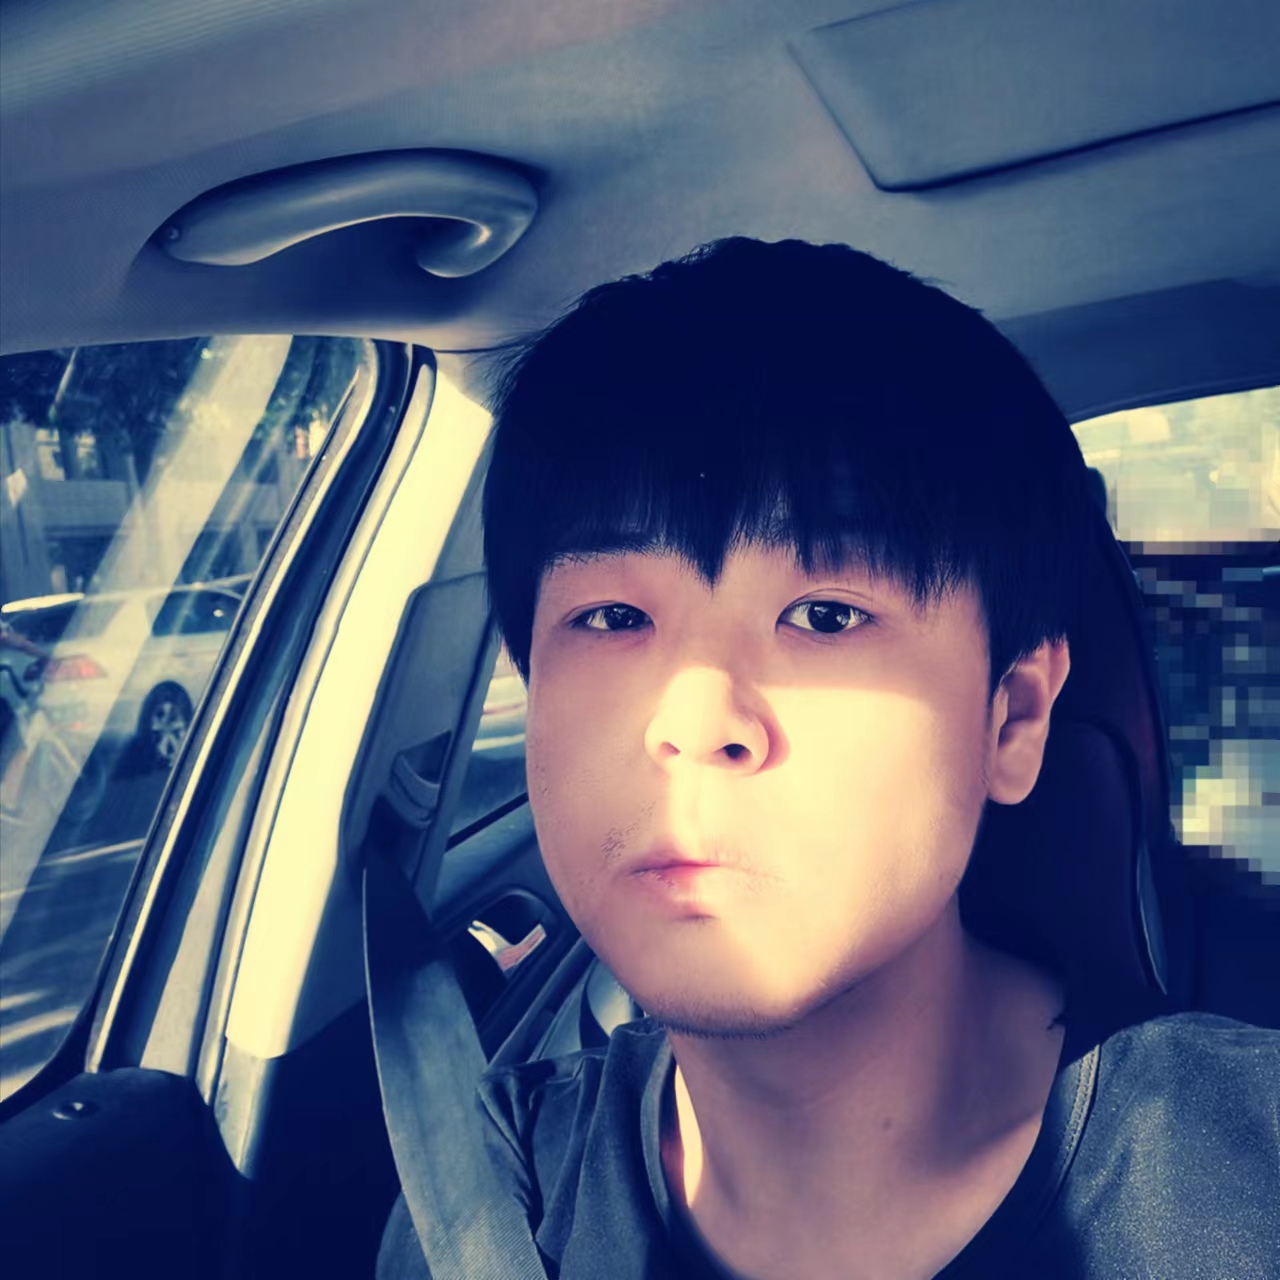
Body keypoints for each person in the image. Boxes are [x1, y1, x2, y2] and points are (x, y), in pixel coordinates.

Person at [379, 238, 1279, 1278]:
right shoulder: (486, 1207)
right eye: (614, 615)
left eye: (824, 614)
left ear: (1012, 718)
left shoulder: (1244, 1178)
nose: (693, 718)